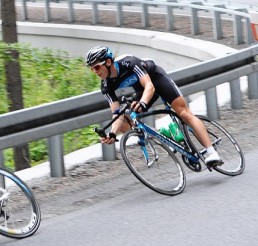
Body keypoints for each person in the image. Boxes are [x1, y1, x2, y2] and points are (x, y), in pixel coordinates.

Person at [85, 46, 222, 166]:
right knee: (125, 121)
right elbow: (116, 112)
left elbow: (150, 86)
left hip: (156, 79)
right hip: (141, 89)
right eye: (92, 69)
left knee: (184, 113)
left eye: (96, 67)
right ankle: (163, 135)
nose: (95, 71)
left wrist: (143, 103)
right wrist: (112, 133)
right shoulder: (106, 86)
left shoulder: (128, 62)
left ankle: (212, 152)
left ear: (108, 62)